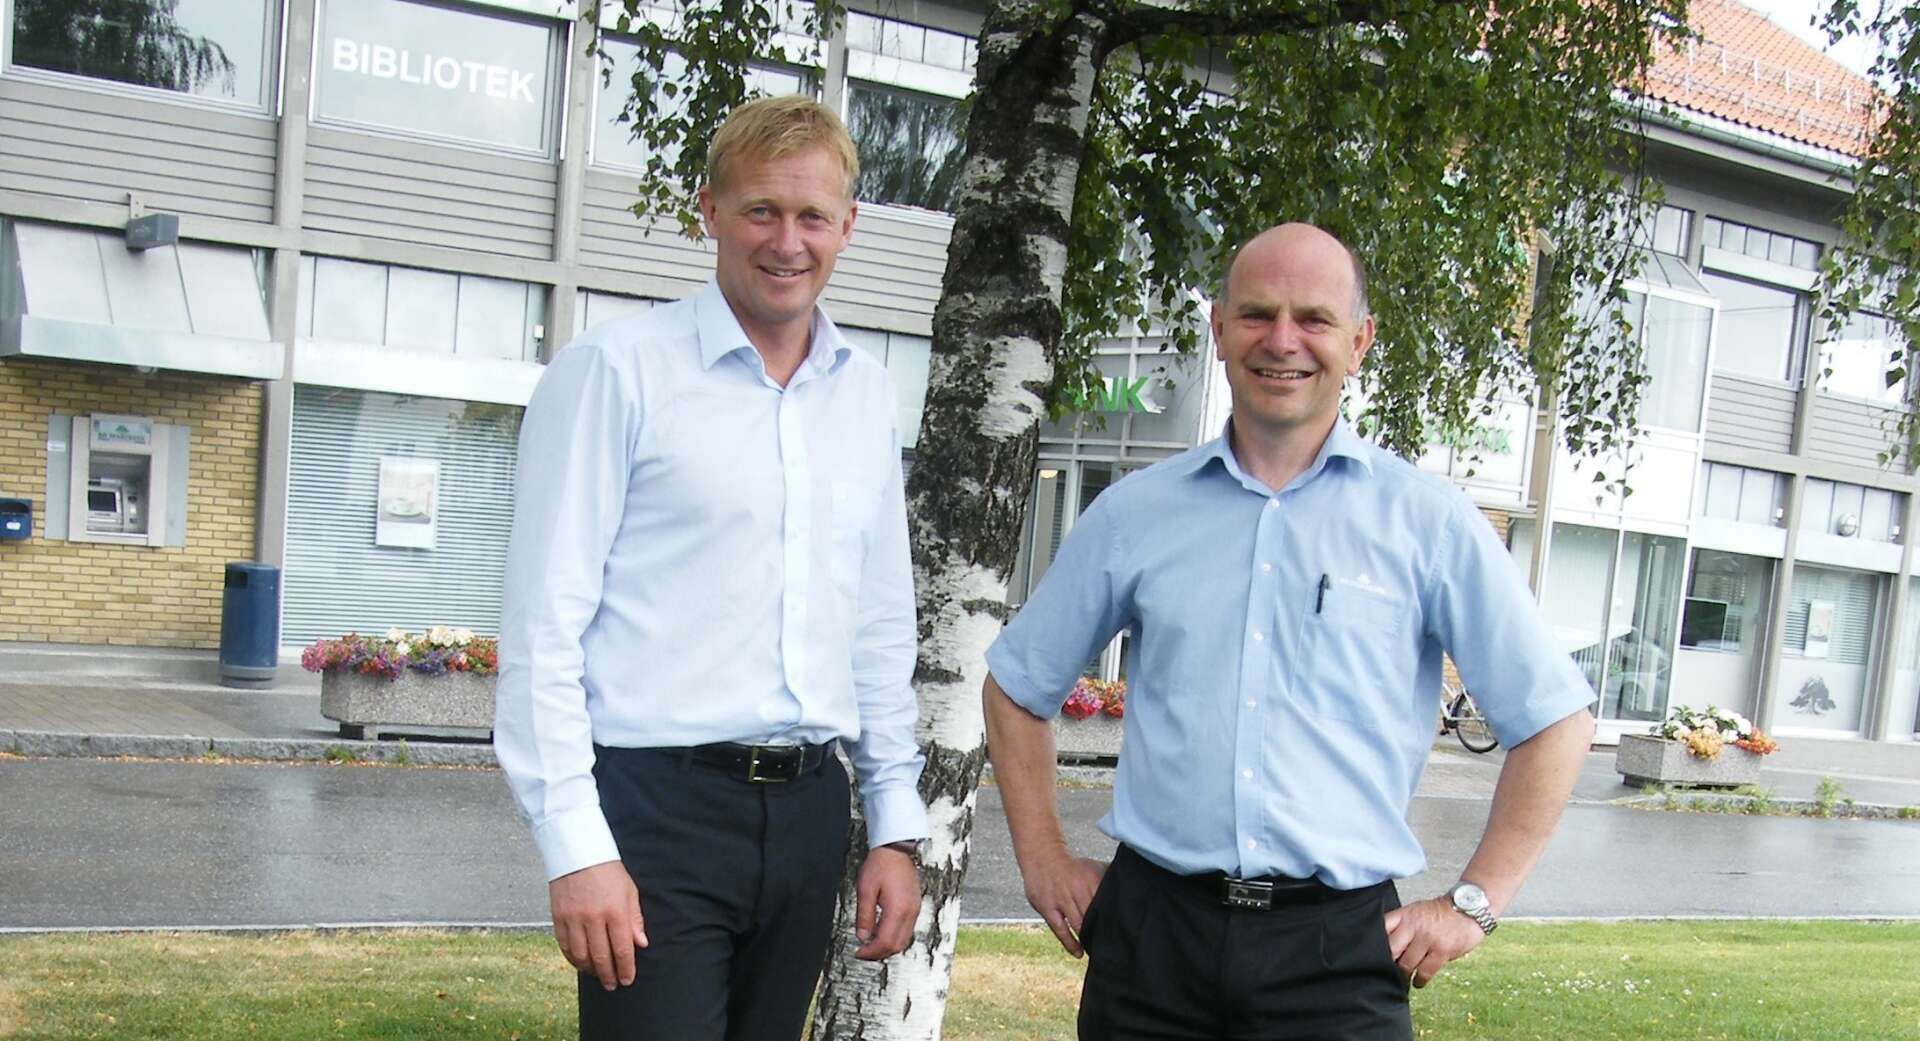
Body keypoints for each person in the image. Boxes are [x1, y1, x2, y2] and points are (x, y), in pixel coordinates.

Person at [983, 222, 1597, 1040]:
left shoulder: (1428, 523)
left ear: (1359, 340)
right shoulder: (1136, 513)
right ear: (1218, 328)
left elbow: (1555, 720)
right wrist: (1043, 858)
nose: (1282, 341)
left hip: (1337, 956)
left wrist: (1475, 901)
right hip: (1153, 943)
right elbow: (1016, 686)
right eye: (1256, 314)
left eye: (1313, 318)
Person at [495, 96, 927, 1041]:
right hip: (659, 813)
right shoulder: (617, 371)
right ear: (710, 211)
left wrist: (895, 824)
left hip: (810, 815)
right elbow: (541, 626)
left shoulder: (864, 395)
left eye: (812, 215)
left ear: (848, 226)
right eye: (761, 210)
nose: (787, 241)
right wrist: (576, 846)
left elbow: (879, 627)